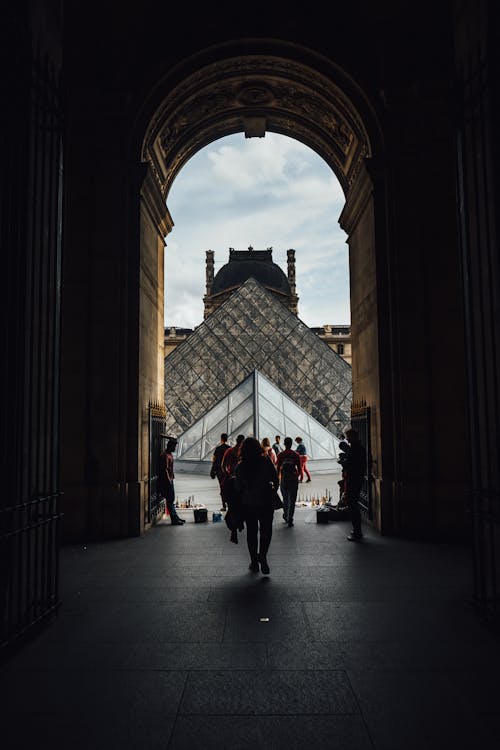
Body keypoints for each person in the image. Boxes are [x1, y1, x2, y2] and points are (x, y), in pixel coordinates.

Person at [234, 437, 278, 574]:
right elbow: (275, 479)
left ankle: (254, 562)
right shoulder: (266, 461)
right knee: (266, 531)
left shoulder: (240, 466)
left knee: (252, 533)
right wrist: (272, 491)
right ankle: (263, 556)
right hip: (266, 501)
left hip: (248, 503)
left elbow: (237, 488)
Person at [344, 428, 367, 541]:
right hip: (358, 478)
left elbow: (349, 465)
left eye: (348, 437)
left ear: (353, 437)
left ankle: (357, 531)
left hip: (353, 479)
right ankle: (357, 530)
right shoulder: (361, 448)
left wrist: (344, 462)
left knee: (352, 504)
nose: (347, 439)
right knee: (354, 504)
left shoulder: (354, 449)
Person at [158, 436, 185, 525]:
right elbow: (165, 469)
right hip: (167, 481)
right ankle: (174, 519)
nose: (175, 448)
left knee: (171, 500)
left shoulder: (169, 454)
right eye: (174, 447)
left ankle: (176, 517)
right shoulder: (165, 455)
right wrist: (169, 481)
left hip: (170, 479)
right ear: (170, 446)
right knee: (170, 500)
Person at [276, 436, 301, 526]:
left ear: (284, 444)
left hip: (284, 479)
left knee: (285, 499)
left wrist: (278, 479)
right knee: (292, 500)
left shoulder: (280, 455)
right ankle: (290, 518)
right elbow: (299, 468)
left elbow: (278, 468)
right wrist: (297, 476)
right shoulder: (295, 454)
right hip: (293, 479)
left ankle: (286, 516)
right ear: (291, 444)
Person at [211, 433, 231, 510]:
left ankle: (224, 506)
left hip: (220, 472)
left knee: (222, 488)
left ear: (221, 439)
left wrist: (213, 470)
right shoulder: (230, 448)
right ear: (227, 439)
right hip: (228, 472)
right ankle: (230, 504)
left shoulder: (218, 448)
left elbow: (214, 460)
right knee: (229, 488)